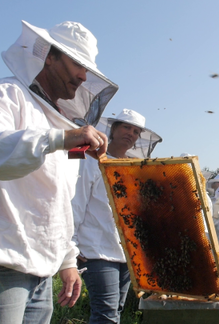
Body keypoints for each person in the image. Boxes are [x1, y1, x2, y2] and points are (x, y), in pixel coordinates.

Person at [0, 21, 119, 323]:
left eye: (87, 69)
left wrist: (67, 261)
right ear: (49, 56)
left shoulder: (61, 124)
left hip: (41, 273)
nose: (83, 76)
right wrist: (59, 140)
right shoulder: (5, 94)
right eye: (77, 63)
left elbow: (56, 201)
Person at [72, 109, 162, 323]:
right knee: (106, 313)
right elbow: (76, 201)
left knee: (117, 309)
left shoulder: (131, 167)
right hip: (95, 249)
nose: (130, 133)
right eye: (126, 127)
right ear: (113, 129)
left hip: (124, 253)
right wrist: (71, 243)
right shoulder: (90, 158)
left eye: (136, 131)